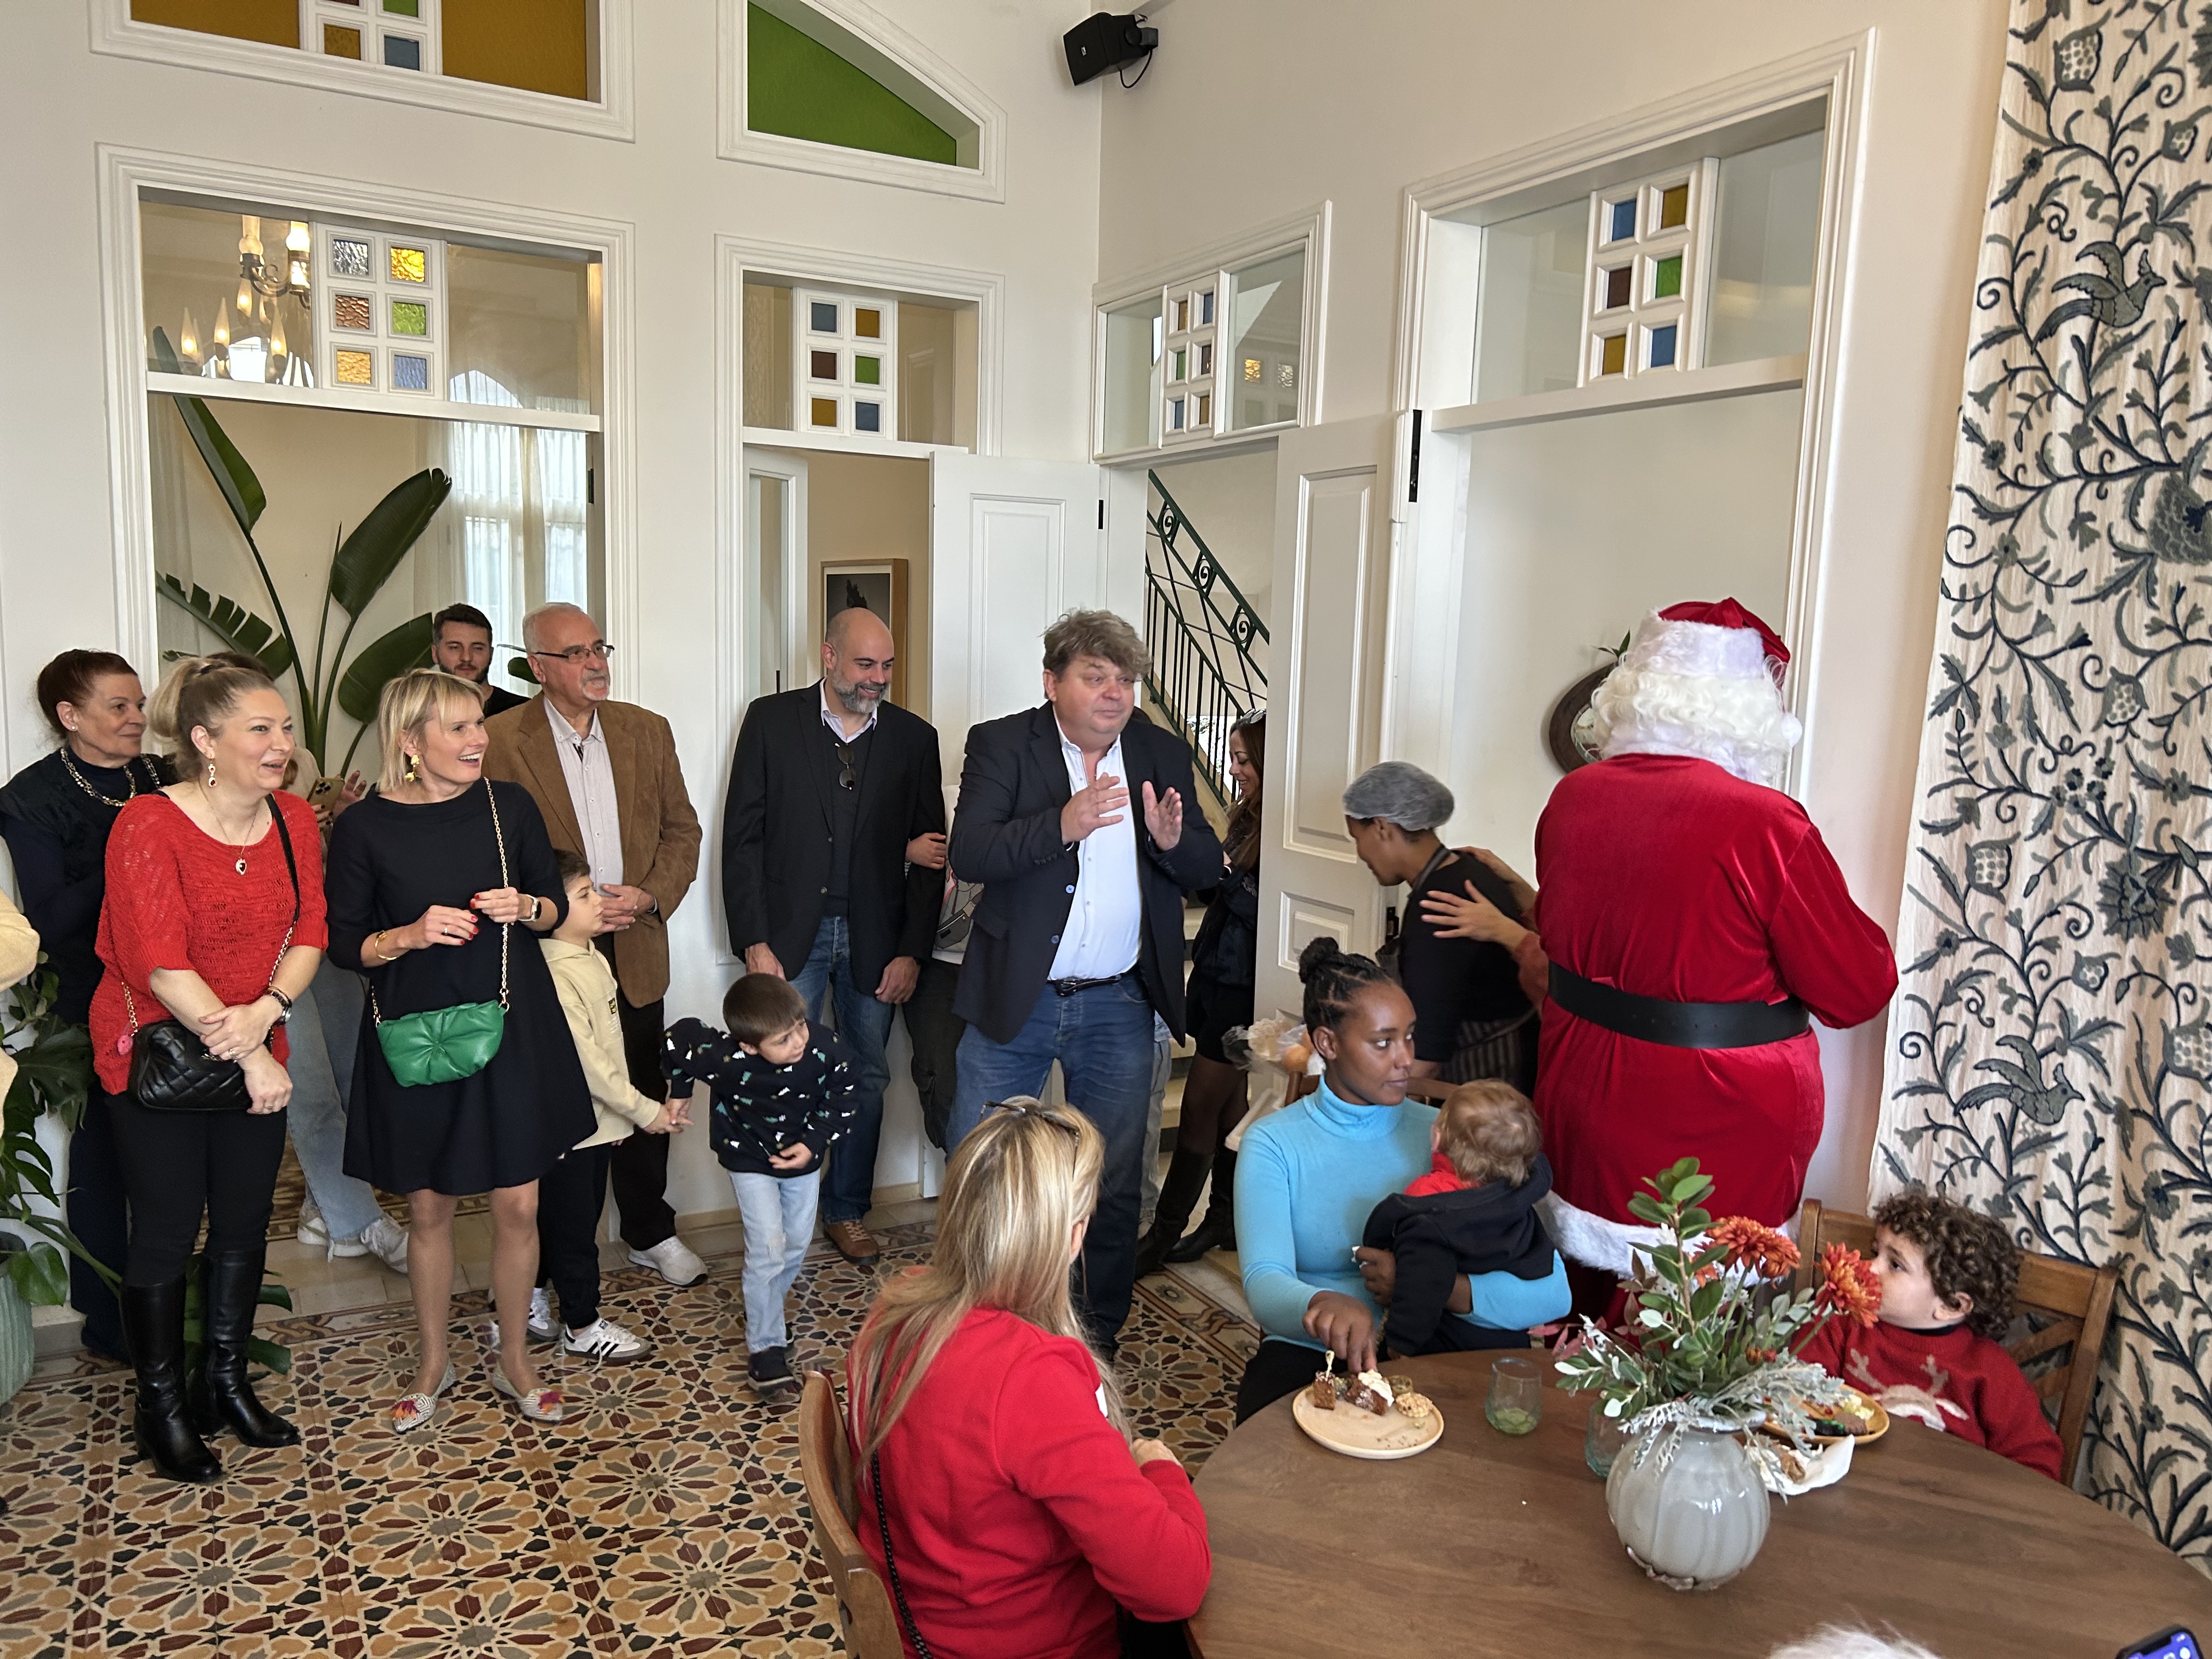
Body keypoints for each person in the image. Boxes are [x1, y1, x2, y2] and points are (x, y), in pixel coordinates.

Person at [1478, 600, 1898, 1299]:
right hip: (1714, 1118)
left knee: (1583, 1301)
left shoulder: (1573, 798)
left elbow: (1558, 931)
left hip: (1585, 1084)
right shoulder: (1765, 823)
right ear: (1746, 708)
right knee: (1702, 1319)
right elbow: (1857, 990)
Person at [945, 610, 1224, 1351]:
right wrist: (1061, 825)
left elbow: (1207, 865)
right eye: (1096, 677)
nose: (1114, 693)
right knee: (982, 1165)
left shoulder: (1160, 751)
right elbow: (971, 851)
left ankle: (1096, 1334)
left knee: (1115, 1178)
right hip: (1017, 998)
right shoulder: (1003, 744)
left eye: (1125, 680)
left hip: (1119, 1003)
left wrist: (1172, 844)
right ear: (1052, 682)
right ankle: (975, 1325)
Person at [846, 1097, 1210, 1659]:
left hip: (920, 1621)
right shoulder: (1029, 1377)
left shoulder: (897, 1305)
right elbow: (1173, 1586)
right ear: (1071, 1236)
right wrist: (1161, 1469)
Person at [328, 669, 589, 1431]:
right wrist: (408, 935)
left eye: (479, 724)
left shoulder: (511, 806)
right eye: (460, 728)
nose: (479, 739)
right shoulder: (364, 827)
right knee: (429, 1205)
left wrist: (528, 905)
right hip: (418, 1030)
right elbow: (344, 944)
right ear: (411, 742)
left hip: (514, 1023)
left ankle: (517, 1360)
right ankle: (433, 1363)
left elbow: (553, 908)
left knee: (520, 1202)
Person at [89, 656, 327, 1483]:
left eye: (285, 728)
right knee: (164, 1229)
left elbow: (311, 932)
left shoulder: (293, 818)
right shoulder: (147, 823)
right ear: (204, 740)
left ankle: (224, 1383)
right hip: (159, 1053)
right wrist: (252, 1047)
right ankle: (160, 1407)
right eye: (260, 729)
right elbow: (159, 965)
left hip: (254, 1046)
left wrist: (270, 1011)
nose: (281, 744)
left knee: (243, 1221)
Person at [1233, 939, 1571, 1423]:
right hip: (1320, 1350)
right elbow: (1265, 1283)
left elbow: (1552, 1294)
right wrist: (1327, 1304)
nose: (1406, 1059)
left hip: (1444, 1340)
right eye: (1383, 1042)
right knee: (1269, 1442)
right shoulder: (1274, 1143)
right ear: (1327, 1043)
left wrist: (1434, 1286)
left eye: (1410, 1037)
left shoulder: (1457, 1140)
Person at [483, 602, 705, 1289]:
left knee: (641, 1085)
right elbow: (489, 849)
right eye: (576, 653)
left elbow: (683, 832)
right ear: (538, 667)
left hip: (634, 946)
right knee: (557, 1106)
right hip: (547, 955)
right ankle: (549, 1266)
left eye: (599, 648)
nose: (595, 663)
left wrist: (647, 896)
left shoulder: (647, 730)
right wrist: (548, 915)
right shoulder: (500, 739)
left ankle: (649, 1231)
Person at [721, 606, 945, 1265]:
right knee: (781, 1073)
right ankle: (780, 1217)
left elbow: (931, 857)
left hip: (877, 941)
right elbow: (742, 840)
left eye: (887, 666)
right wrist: (754, 940)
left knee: (865, 1076)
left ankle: (846, 1210)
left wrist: (912, 951)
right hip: (791, 938)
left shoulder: (914, 738)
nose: (877, 678)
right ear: (828, 656)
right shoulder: (770, 721)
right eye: (864, 664)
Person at [0, 650, 169, 1362]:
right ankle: (111, 1323)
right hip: (88, 998)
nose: (137, 719)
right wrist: (129, 852)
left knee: (172, 1162)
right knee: (103, 1161)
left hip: (172, 989)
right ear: (69, 716)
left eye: (140, 705)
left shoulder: (161, 774)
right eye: (118, 707)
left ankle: (171, 1307)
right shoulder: (31, 797)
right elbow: (49, 918)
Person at [664, 974, 857, 1402]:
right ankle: (766, 1347)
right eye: (783, 1039)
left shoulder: (825, 1048)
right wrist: (680, 1091)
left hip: (803, 1160)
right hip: (748, 1159)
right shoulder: (725, 1058)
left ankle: (764, 1312)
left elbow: (845, 1094)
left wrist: (814, 1143)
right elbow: (678, 1038)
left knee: (796, 1243)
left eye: (800, 1026)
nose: (799, 1041)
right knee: (768, 1247)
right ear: (749, 1047)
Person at [1796, 1192, 2063, 1480]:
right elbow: (1795, 1393)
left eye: (1895, 1264)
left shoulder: (1990, 1370)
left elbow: (2038, 1465)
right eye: (1876, 1252)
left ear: (1951, 1306)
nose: (1869, 1267)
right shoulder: (1839, 1323)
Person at [531, 850, 681, 1364]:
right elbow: (590, 1065)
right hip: (571, 1128)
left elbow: (609, 1051)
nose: (600, 901)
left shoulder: (590, 956)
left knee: (565, 1218)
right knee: (575, 1229)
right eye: (584, 895)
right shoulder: (556, 973)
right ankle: (582, 1325)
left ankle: (531, 1298)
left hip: (595, 1124)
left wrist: (615, 1120)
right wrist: (645, 1111)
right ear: (551, 910)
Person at [1139, 708, 1264, 1274]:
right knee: (1233, 1107)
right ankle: (1223, 1219)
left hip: (1245, 987)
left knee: (1199, 1107)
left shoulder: (1283, 830)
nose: (1234, 770)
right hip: (1217, 973)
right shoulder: (1245, 818)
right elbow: (1219, 893)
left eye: (1243, 759)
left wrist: (1225, 874)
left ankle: (1163, 1235)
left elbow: (1265, 910)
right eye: (1233, 758)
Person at [1344, 760, 1537, 1093]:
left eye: (1356, 838)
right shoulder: (1471, 868)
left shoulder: (1437, 906)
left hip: (1488, 1082)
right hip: (1524, 1057)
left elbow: (1427, 1055)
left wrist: (1361, 1101)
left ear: (1381, 827)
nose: (1361, 853)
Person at [1359, 1080, 1559, 1358]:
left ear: (1437, 1138)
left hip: (1445, 1342)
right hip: (1511, 1339)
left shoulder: (1431, 1202)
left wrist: (1400, 1344)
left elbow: (1423, 1276)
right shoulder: (1518, 1200)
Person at [905, 868, 981, 1154]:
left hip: (1004, 960)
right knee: (940, 1079)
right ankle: (959, 1169)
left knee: (1001, 1086)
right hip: (932, 958)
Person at [432, 602, 527, 717]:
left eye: (477, 648)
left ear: (491, 654)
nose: (466, 658)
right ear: (435, 654)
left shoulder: (523, 712)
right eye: (455, 648)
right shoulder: (421, 714)